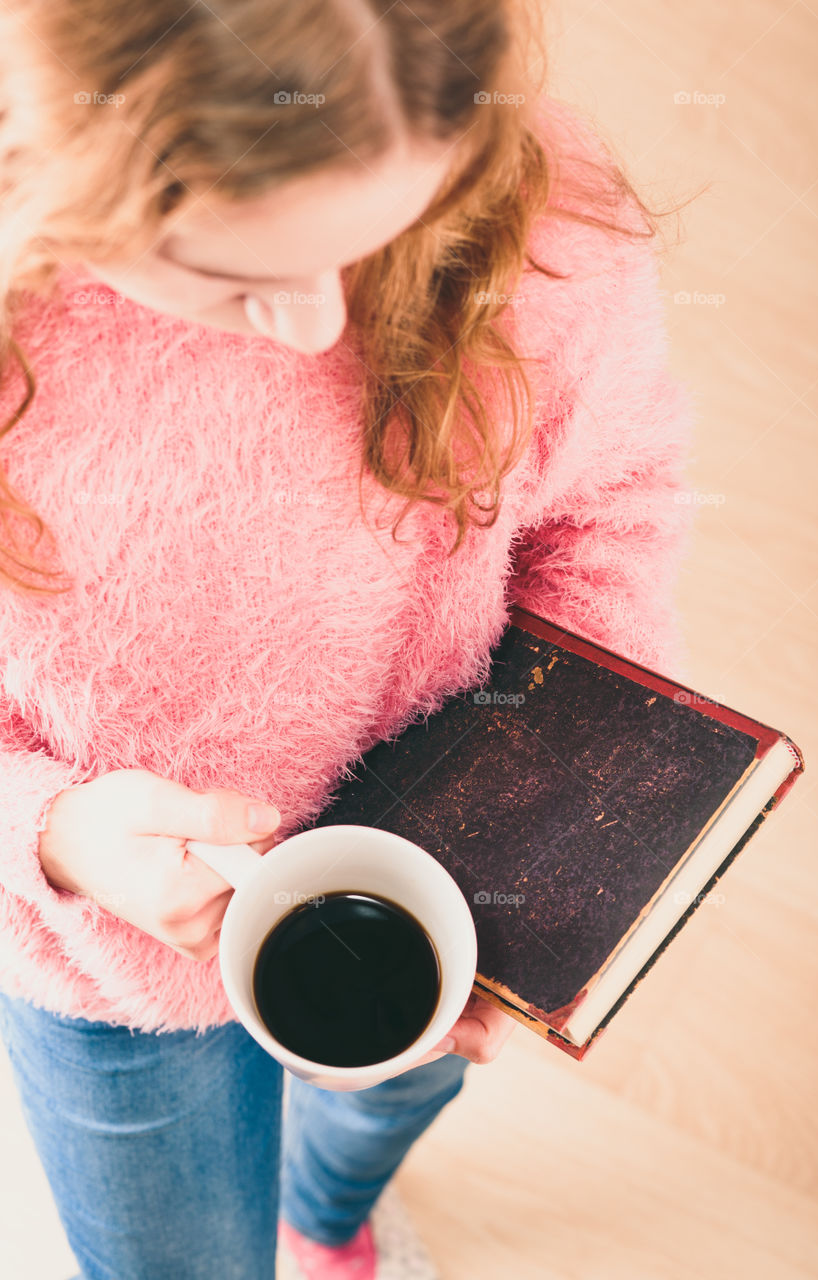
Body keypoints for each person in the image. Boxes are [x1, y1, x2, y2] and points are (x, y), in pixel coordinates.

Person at [0, 1, 699, 1277]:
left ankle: (325, 1217)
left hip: (436, 887)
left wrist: (530, 840)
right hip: (97, 966)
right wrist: (43, 824)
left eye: (373, 241)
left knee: (382, 1107)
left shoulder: (542, 227)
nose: (323, 328)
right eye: (238, 277)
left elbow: (612, 512)